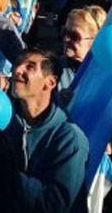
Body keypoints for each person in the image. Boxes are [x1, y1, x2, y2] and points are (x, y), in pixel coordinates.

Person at [58, 7, 112, 209]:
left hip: (105, 179)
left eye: (74, 36)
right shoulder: (55, 69)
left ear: (95, 41)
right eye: (64, 33)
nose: (66, 40)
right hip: (64, 170)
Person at [7, 47, 89, 213]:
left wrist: (1, 172)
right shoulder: (4, 123)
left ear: (50, 83)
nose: (17, 70)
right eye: (17, 64)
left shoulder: (70, 138)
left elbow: (54, 204)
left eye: (30, 67)